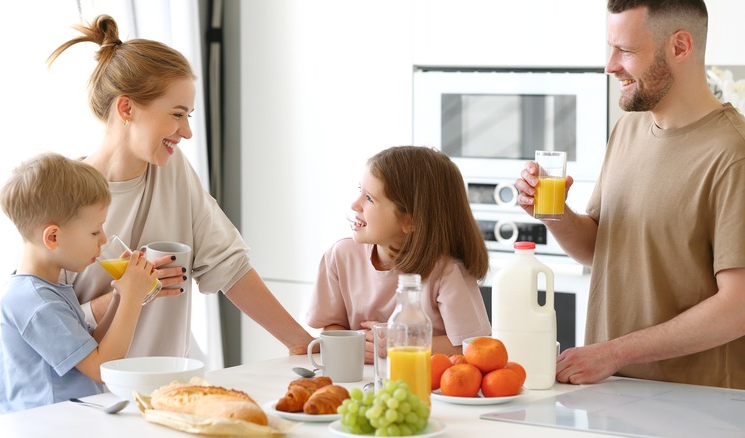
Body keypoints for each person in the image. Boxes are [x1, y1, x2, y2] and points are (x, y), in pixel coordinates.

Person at [46, 15, 314, 358]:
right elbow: (46, 325)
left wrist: (303, 344)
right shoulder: (60, 193)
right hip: (90, 396)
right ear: (126, 108)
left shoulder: (172, 171)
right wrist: (131, 291)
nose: (186, 131)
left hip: (167, 386)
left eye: (189, 115)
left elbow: (229, 267)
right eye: (176, 114)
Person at [515, 0, 745, 389]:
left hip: (696, 407)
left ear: (679, 47)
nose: (610, 65)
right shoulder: (627, 129)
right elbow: (600, 248)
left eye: (626, 50)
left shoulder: (732, 153)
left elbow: (737, 306)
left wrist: (614, 351)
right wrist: (555, 214)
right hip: (610, 390)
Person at [0, 152, 157, 413]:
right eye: (95, 231)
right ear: (53, 237)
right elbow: (102, 368)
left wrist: (119, 296)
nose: (103, 239)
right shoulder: (36, 301)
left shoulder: (47, 288)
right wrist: (132, 298)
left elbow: (92, 350)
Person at [306, 146, 492, 363]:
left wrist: (399, 342)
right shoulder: (341, 256)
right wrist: (355, 343)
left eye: (369, 198)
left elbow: (471, 346)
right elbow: (331, 327)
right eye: (360, 191)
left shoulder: (447, 271)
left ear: (410, 221)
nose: (355, 204)